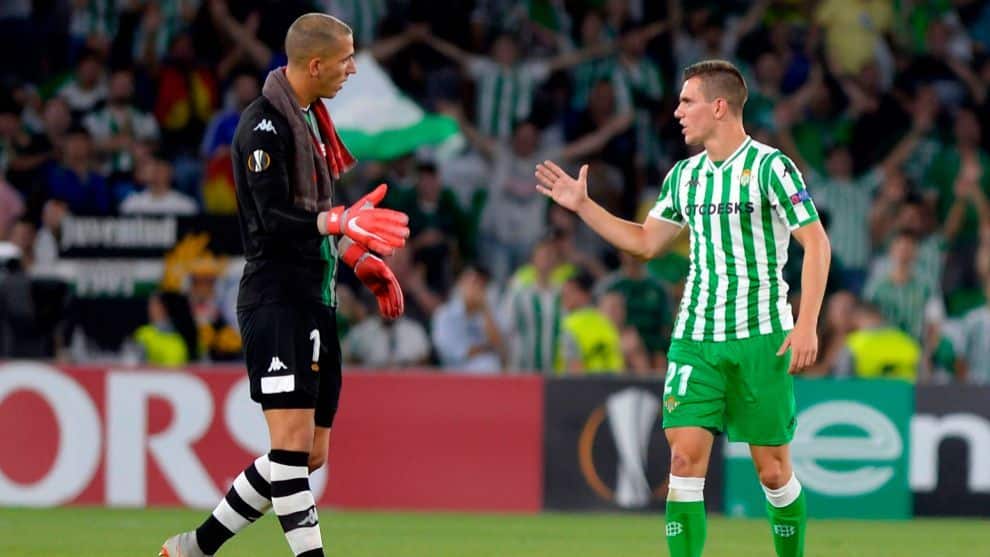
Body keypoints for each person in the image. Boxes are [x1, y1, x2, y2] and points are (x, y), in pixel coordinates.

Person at [535, 60, 831, 557]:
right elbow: (646, 243)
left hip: (762, 335)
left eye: (687, 101)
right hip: (696, 338)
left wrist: (806, 325)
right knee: (684, 461)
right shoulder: (684, 177)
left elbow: (816, 245)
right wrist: (585, 207)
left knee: (774, 473)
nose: (676, 112)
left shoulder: (771, 167)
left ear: (719, 106)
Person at [160, 13, 410, 557]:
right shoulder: (264, 125)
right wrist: (337, 224)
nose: (351, 68)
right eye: (345, 59)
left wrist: (353, 256)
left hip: (314, 300)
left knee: (308, 455)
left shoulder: (311, 123)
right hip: (276, 299)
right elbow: (274, 219)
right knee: (292, 456)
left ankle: (191, 550)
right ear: (315, 64)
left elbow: (314, 218)